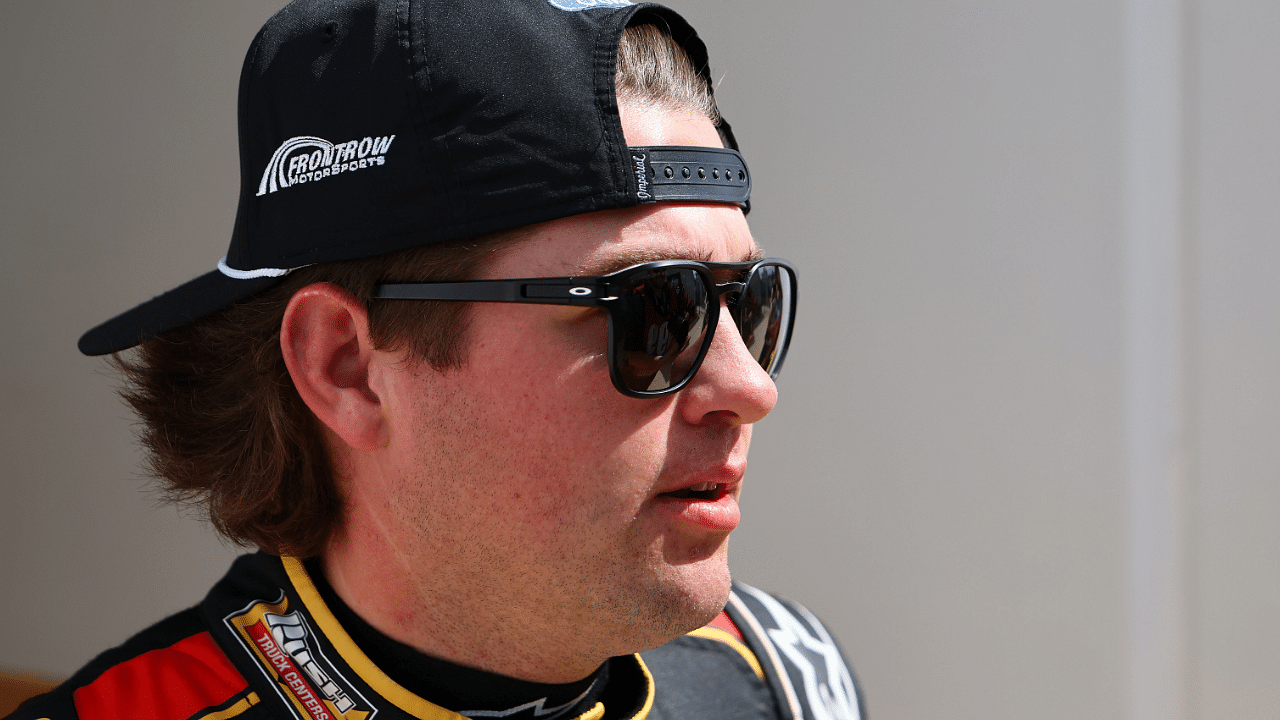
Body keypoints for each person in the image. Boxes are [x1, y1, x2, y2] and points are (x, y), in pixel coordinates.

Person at [9, 1, 863, 719]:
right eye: (654, 310)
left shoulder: (785, 679)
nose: (750, 388)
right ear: (347, 367)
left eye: (747, 303)